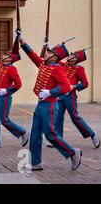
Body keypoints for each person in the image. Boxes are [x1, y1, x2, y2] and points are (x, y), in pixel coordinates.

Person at [18, 31, 82, 171]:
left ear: (55, 56)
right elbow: (32, 55)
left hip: (50, 105)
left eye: (49, 52)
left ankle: (72, 153)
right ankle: (35, 162)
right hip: (41, 104)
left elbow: (66, 87)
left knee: (50, 134)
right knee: (35, 134)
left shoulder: (58, 69)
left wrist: (50, 92)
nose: (45, 54)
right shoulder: (43, 64)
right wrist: (21, 41)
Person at [0, 43, 29, 148]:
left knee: (5, 120)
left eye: (5, 55)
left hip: (5, 97)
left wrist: (6, 91)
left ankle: (22, 132)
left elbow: (18, 84)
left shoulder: (12, 69)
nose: (3, 56)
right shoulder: (1, 66)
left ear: (10, 59)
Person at [53, 49, 99, 148]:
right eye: (70, 54)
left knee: (75, 118)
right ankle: (59, 140)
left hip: (70, 96)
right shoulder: (63, 65)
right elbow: (54, 59)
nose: (69, 56)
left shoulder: (79, 68)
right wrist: (48, 46)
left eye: (72, 55)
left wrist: (74, 86)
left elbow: (85, 83)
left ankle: (92, 135)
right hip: (60, 95)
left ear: (76, 59)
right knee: (58, 118)